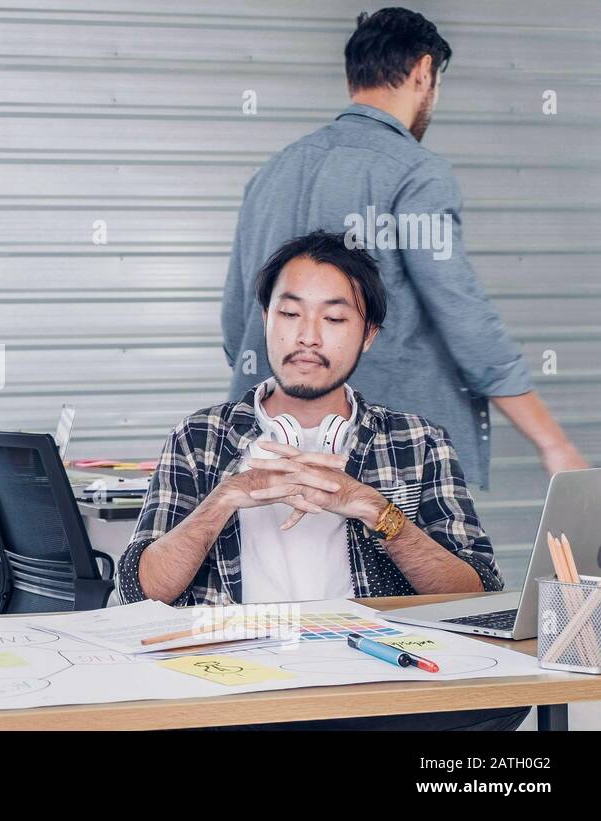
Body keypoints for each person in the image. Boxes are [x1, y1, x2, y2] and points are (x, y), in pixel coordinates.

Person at [124, 231, 526, 731]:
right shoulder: (200, 435)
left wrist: (379, 513)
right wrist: (224, 500)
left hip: (374, 676)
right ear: (266, 319)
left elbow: (476, 593)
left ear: (368, 334)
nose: (308, 336)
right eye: (289, 314)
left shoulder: (417, 440)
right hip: (236, 684)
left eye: (334, 318)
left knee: (501, 707)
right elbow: (140, 593)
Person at [221, 7, 587, 491]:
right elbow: (463, 316)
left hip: (270, 453)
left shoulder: (270, 175)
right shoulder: (415, 174)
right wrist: (552, 443)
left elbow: (237, 328)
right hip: (387, 462)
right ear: (423, 72)